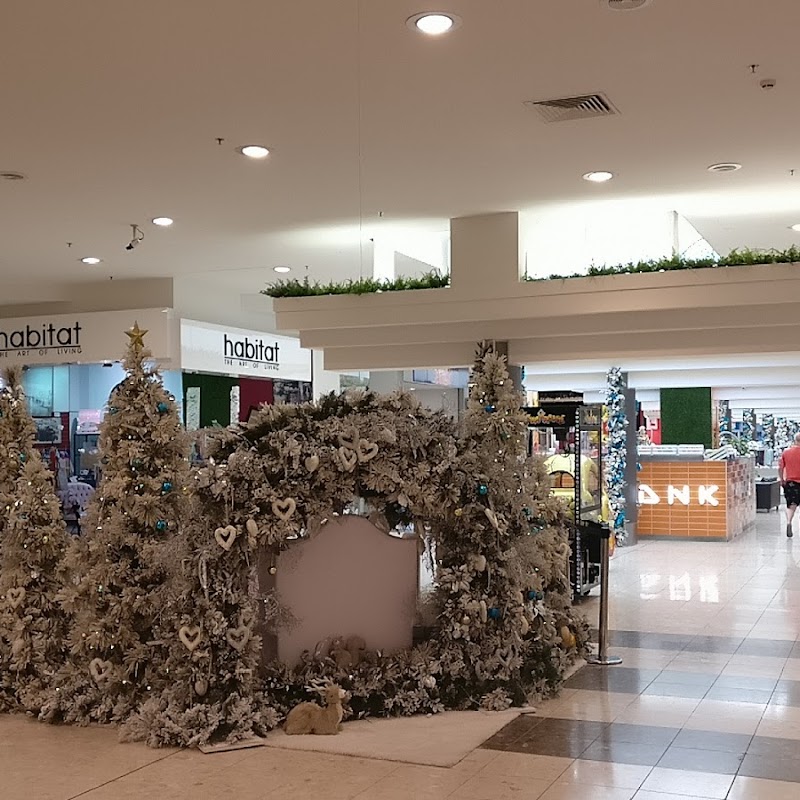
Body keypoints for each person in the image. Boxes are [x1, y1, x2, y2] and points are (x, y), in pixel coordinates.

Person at [777, 432, 800, 537]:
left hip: (791, 482)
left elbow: (780, 468)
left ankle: (789, 522)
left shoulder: (786, 452)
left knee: (791, 505)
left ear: (795, 440)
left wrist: (782, 479)